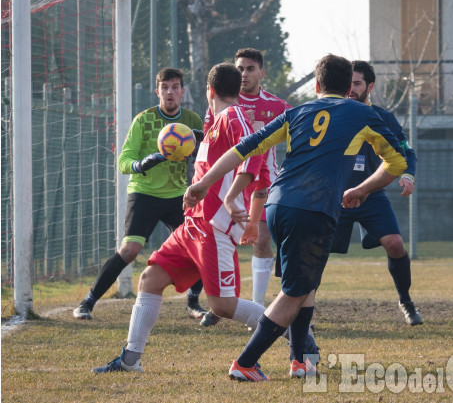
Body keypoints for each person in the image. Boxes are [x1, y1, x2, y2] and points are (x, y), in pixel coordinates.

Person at [183, 54, 408, 381]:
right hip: (314, 209)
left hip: (278, 205)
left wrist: (203, 183)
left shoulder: (296, 112)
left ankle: (299, 359)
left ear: (316, 85)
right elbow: (397, 162)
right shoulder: (362, 113)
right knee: (293, 292)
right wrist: (362, 189)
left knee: (305, 284)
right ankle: (245, 362)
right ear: (349, 89)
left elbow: (246, 148)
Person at [90, 63, 266, 373]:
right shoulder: (213, 122)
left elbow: (252, 156)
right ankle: (131, 360)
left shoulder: (234, 117)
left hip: (213, 226)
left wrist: (225, 195)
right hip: (193, 224)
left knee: (221, 306)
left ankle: (296, 333)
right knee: (150, 279)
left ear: (208, 90)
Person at [73, 67, 207, 321]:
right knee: (130, 250)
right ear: (157, 91)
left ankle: (193, 303)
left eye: (175, 87)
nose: (170, 92)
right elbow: (123, 160)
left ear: (182, 91)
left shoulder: (192, 120)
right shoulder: (143, 120)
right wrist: (141, 164)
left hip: (179, 194)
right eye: (165, 87)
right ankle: (87, 302)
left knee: (198, 247)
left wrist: (200, 146)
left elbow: (207, 156)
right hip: (144, 193)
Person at [199, 49, 291, 328]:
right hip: (226, 181)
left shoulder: (279, 107)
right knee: (219, 241)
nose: (244, 74)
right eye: (239, 68)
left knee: (261, 240)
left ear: (262, 73)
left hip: (261, 182)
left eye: (250, 68)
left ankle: (259, 309)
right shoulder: (221, 106)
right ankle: (222, 303)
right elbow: (209, 140)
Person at [330, 60, 422, 326]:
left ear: (370, 86)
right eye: (348, 83)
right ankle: (304, 309)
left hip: (372, 195)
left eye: (357, 83)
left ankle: (405, 301)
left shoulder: (384, 118)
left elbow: (406, 152)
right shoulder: (332, 114)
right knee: (316, 250)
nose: (351, 89)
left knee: (394, 243)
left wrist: (406, 175)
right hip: (336, 196)